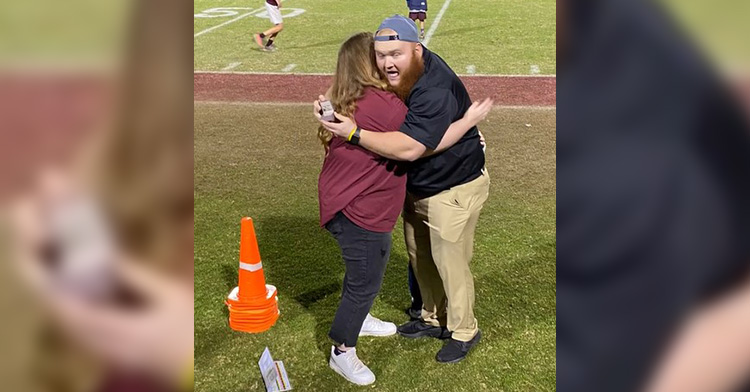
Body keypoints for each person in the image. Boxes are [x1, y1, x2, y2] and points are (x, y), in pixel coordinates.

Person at [316, 32, 491, 384]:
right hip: (361, 211)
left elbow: (410, 142)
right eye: (378, 57)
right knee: (366, 280)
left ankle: (461, 330)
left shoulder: (346, 98)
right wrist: (467, 124)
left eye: (392, 55)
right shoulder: (384, 105)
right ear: (367, 64)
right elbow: (414, 146)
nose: (386, 64)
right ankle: (342, 350)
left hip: (351, 204)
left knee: (438, 262)